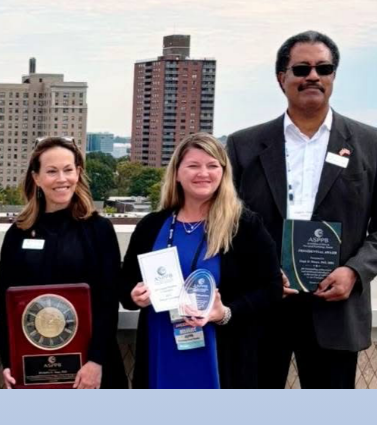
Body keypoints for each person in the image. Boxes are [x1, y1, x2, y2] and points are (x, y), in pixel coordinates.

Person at [226, 30, 377, 389]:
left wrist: (355, 272)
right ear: (282, 78)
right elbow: (225, 222)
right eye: (301, 68)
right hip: (264, 305)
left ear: (333, 77)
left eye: (324, 68)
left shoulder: (370, 143)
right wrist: (257, 273)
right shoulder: (244, 144)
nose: (313, 76)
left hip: (336, 309)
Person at [119, 133, 281, 388]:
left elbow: (272, 289)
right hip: (161, 348)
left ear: (223, 173)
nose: (203, 173)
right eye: (193, 165)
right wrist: (134, 295)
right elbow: (125, 284)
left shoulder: (245, 226)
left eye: (212, 165)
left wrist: (225, 313)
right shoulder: (152, 226)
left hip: (221, 352)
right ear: (177, 173)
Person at [0, 137, 127, 389]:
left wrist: (96, 361)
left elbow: (108, 301)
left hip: (91, 368)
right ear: (36, 177)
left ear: (78, 173)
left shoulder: (99, 229)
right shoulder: (19, 233)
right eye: (52, 171)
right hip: (32, 364)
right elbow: (6, 303)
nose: (61, 179)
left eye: (68, 170)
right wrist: (8, 361)